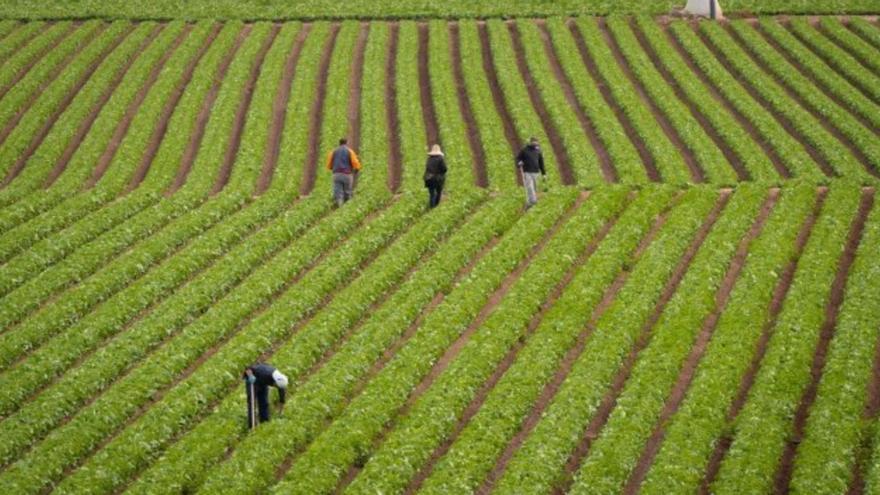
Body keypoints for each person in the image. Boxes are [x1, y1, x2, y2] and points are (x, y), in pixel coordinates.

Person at [243, 363, 288, 428]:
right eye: (275, 385)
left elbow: (282, 397)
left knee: (264, 402)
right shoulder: (266, 373)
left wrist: (281, 410)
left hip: (263, 382)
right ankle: (252, 426)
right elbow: (248, 368)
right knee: (252, 404)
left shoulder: (281, 381)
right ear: (275, 381)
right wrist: (250, 376)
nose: (275, 386)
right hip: (253, 380)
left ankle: (264, 423)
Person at [326, 138, 362, 207]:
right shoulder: (349, 151)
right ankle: (347, 208)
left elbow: (329, 164)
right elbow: (355, 162)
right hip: (347, 174)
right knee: (347, 192)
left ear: (339, 143)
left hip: (336, 175)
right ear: (346, 143)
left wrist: (333, 168)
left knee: (338, 192)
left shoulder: (333, 151)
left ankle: (339, 206)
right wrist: (357, 169)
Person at [516, 136, 546, 209]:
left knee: (534, 187)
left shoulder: (538, 151)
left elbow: (541, 162)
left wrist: (543, 173)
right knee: (530, 187)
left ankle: (529, 203)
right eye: (533, 142)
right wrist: (519, 162)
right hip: (527, 171)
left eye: (536, 142)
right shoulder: (524, 150)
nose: (535, 143)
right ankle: (534, 201)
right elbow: (518, 158)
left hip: (536, 172)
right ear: (530, 142)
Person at [423, 144, 447, 208]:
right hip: (437, 179)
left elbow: (427, 168)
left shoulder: (429, 159)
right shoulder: (440, 159)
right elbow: (444, 169)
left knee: (432, 194)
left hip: (428, 178)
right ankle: (436, 207)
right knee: (438, 192)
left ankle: (431, 208)